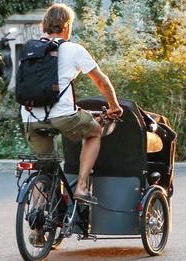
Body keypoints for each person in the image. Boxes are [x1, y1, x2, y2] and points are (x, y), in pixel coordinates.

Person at [21, 3, 123, 205]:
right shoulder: (73, 49)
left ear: (45, 25)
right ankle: (82, 187)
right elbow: (101, 81)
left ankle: (36, 229)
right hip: (63, 116)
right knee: (94, 132)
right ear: (67, 25)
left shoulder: (29, 49)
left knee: (44, 169)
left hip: (29, 116)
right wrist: (114, 106)